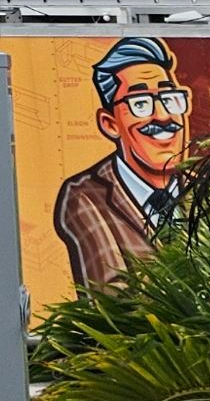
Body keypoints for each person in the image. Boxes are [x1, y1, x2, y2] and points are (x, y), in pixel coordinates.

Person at [51, 35, 191, 291]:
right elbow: (113, 299)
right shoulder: (85, 196)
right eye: (140, 104)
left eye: (169, 98)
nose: (162, 115)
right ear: (110, 123)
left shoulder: (203, 188)